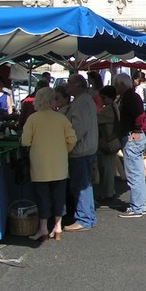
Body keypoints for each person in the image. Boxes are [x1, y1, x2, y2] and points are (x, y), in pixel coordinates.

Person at [21, 87, 77, 242]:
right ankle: (58, 227)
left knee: (42, 197)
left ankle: (44, 229)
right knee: (59, 196)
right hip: (59, 163)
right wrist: (64, 150)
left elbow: (25, 141)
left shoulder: (33, 119)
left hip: (40, 164)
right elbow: (72, 139)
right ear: (52, 100)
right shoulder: (61, 118)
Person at [63, 74, 99, 232]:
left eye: (69, 83)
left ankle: (84, 218)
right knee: (85, 184)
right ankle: (88, 216)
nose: (67, 86)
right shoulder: (84, 100)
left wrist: (68, 143)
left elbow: (79, 128)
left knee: (80, 185)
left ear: (78, 85)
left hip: (81, 150)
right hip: (86, 148)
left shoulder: (81, 102)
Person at [115, 72, 146, 218]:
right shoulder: (130, 96)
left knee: (134, 174)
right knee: (137, 174)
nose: (115, 87)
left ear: (121, 85)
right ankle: (139, 205)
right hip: (134, 136)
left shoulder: (130, 97)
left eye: (116, 84)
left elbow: (140, 115)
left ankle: (137, 207)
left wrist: (136, 129)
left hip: (132, 137)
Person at [95, 85, 122, 203]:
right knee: (109, 168)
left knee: (106, 169)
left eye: (103, 98)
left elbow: (95, 119)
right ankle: (109, 192)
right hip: (113, 140)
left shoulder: (108, 110)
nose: (102, 100)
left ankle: (108, 193)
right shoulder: (115, 107)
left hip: (108, 141)